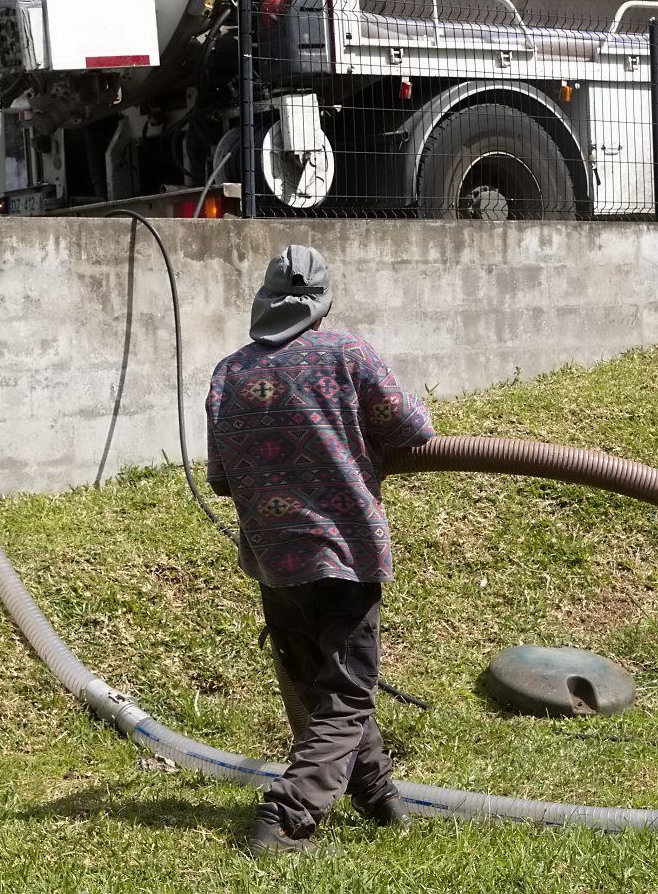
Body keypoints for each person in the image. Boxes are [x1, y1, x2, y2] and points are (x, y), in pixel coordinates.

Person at [205, 244, 436, 856]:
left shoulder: (228, 373)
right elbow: (414, 430)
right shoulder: (347, 355)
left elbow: (220, 477)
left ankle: (380, 798)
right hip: (346, 553)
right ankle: (285, 819)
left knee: (324, 685)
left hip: (276, 564)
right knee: (348, 693)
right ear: (323, 304)